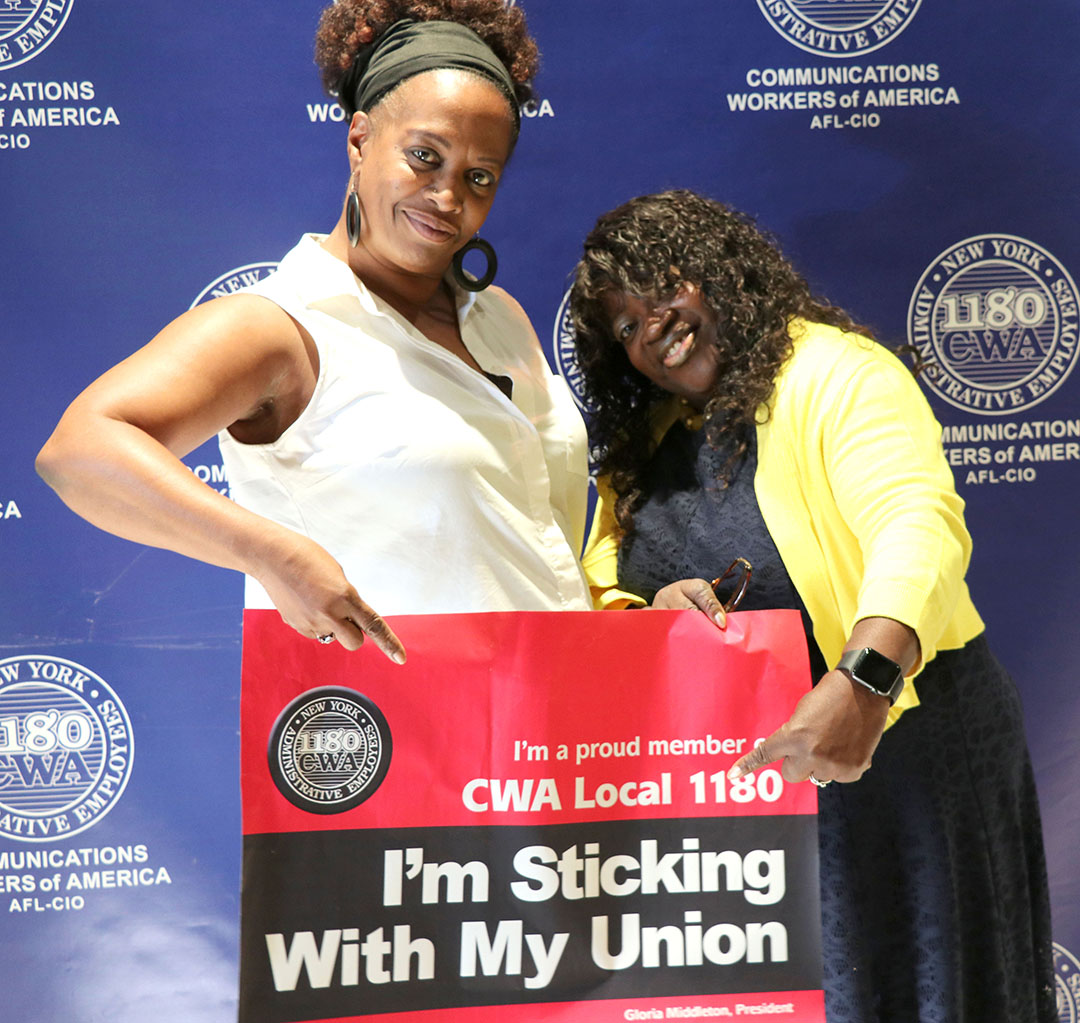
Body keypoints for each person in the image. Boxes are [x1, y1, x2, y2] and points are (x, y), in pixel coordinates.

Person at [569, 190, 1055, 1022]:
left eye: (666, 287)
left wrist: (864, 681)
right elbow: (600, 578)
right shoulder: (643, 446)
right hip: (748, 796)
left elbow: (916, 524)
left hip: (900, 757)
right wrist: (652, 614)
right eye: (626, 324)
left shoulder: (840, 374)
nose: (653, 325)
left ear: (720, 271)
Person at [36, 0, 592, 662]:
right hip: (395, 717)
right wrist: (269, 553)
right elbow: (79, 452)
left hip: (555, 705)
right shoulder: (283, 326)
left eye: (479, 177)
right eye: (424, 156)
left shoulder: (499, 316)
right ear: (360, 140)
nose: (448, 198)